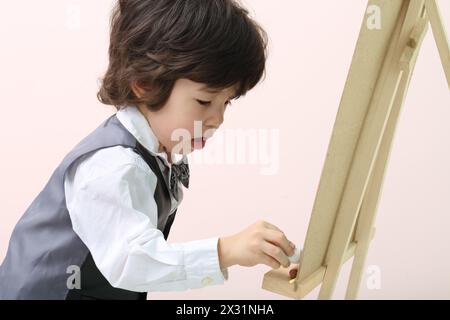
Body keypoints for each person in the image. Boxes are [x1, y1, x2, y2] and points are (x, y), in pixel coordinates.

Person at [0, 0, 297, 300]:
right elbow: (132, 260)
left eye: (227, 102)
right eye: (205, 102)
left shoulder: (155, 150)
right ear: (145, 84)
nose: (218, 119)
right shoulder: (112, 166)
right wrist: (225, 251)